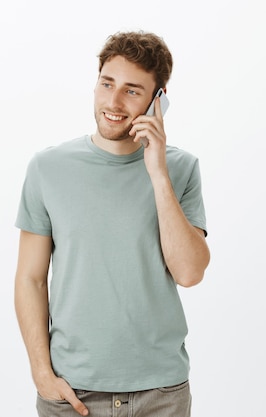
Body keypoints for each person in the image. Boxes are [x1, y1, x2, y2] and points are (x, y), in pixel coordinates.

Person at [13, 31, 210, 417]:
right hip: (72, 393)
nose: (114, 103)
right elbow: (30, 279)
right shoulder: (47, 169)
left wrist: (157, 173)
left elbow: (189, 272)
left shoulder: (181, 168)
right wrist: (41, 373)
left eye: (132, 91)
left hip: (161, 393)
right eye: (107, 84)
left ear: (159, 100)